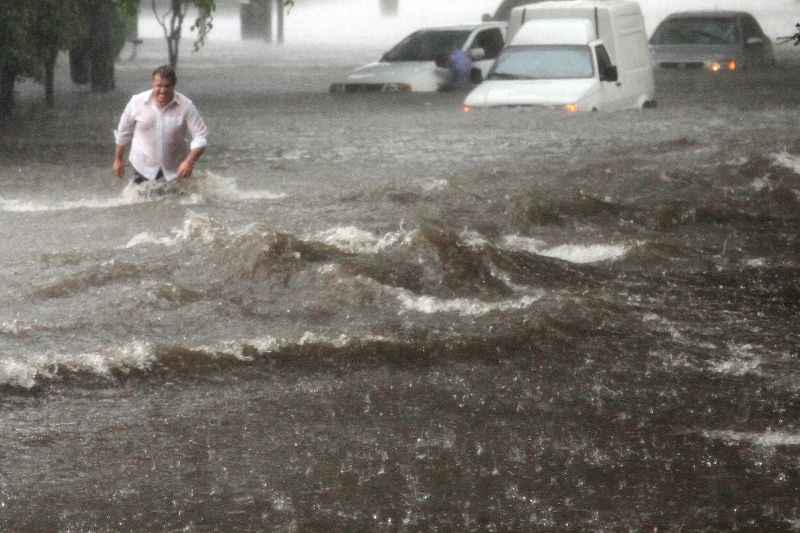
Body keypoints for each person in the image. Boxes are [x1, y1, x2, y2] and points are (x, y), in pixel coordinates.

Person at [113, 65, 208, 184]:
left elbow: (200, 136)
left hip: (176, 168)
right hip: (143, 166)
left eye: (167, 86)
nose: (162, 90)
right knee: (141, 201)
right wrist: (118, 160)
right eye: (159, 86)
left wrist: (189, 162)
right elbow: (123, 132)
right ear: (153, 84)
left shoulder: (186, 105)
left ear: (174, 86)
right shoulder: (136, 102)